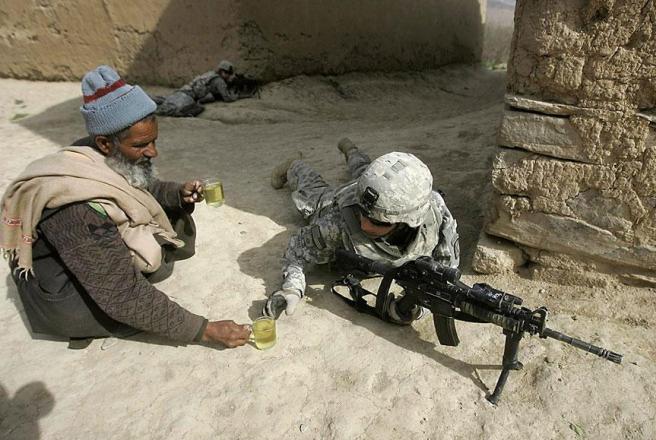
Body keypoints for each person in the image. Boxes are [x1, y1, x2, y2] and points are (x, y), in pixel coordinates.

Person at [0, 65, 250, 348]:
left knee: (160, 253)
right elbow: (121, 295)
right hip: (66, 296)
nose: (153, 152)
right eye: (142, 145)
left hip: (88, 256)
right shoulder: (75, 207)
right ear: (105, 143)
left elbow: (136, 187)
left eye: (154, 141)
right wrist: (204, 330)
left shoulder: (103, 155)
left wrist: (176, 194)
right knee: (125, 303)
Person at [265, 139, 460, 324]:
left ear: (407, 221)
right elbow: (296, 251)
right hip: (340, 199)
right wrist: (292, 288)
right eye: (362, 214)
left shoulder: (434, 210)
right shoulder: (336, 223)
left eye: (377, 221)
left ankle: (351, 151)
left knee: (362, 169)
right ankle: (294, 165)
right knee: (312, 192)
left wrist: (420, 305)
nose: (365, 225)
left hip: (369, 189)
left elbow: (447, 265)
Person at [153, 60, 258, 117]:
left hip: (183, 91)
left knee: (164, 100)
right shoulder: (219, 80)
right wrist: (241, 96)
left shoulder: (211, 74)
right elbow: (227, 98)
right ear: (222, 72)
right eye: (228, 74)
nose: (229, 76)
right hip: (187, 96)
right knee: (168, 110)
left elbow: (211, 93)